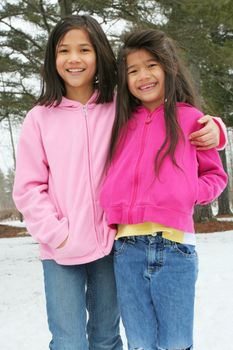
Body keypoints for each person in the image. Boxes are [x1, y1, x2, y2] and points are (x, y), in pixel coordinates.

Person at [12, 15, 225, 350]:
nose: (74, 58)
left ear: (99, 54)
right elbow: (27, 187)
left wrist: (216, 126)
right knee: (68, 341)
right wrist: (57, 233)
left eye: (84, 49)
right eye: (64, 50)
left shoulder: (117, 106)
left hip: (111, 245)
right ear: (53, 58)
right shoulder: (40, 117)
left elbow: (163, 113)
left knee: (108, 338)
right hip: (60, 249)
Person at [99, 29, 228, 350]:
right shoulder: (119, 120)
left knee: (176, 342)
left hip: (175, 248)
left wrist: (186, 192)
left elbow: (215, 175)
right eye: (132, 70)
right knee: (140, 342)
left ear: (168, 67)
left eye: (151, 65)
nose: (143, 75)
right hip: (126, 249)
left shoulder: (192, 119)